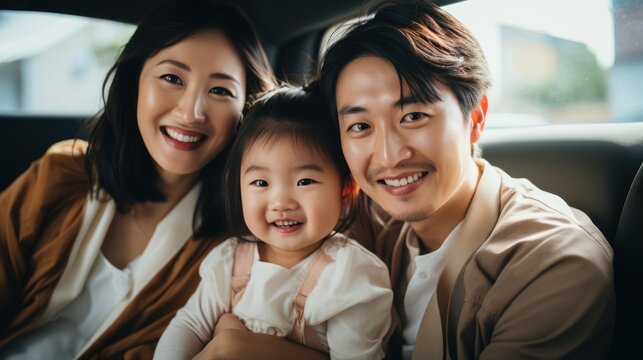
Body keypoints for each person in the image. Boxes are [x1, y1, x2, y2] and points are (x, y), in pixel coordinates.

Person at [315, 0, 615, 359]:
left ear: (475, 118)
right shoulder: (365, 219)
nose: (389, 156)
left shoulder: (554, 264)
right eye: (360, 126)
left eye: (413, 116)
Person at [0, 0, 275, 358]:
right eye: (172, 78)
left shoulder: (239, 245)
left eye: (220, 91)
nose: (191, 113)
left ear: (246, 112)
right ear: (135, 84)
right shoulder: (60, 174)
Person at [153, 86, 393, 360]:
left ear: (346, 190)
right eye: (261, 183)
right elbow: (189, 325)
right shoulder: (230, 261)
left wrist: (240, 344)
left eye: (304, 181)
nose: (281, 202)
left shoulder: (350, 275)